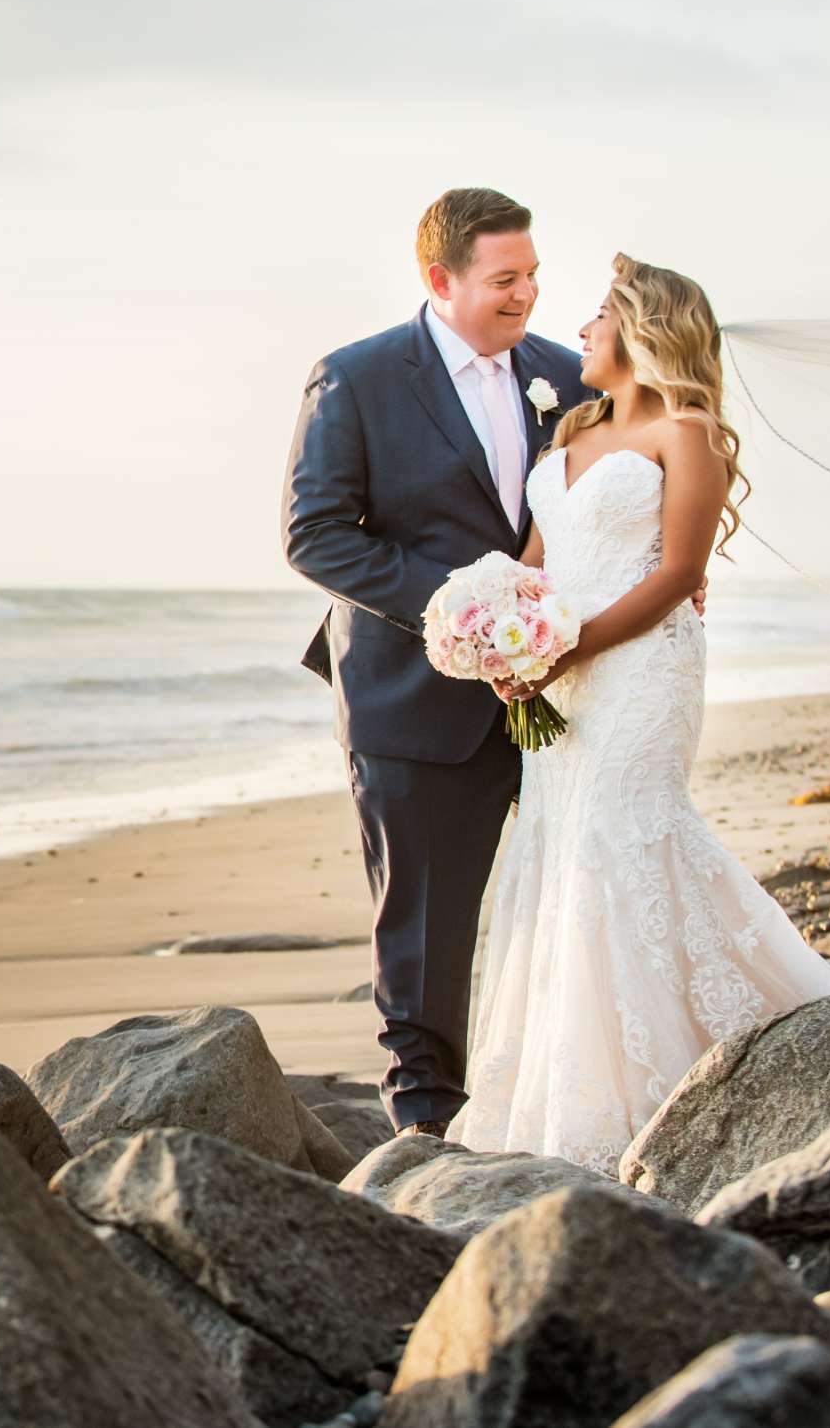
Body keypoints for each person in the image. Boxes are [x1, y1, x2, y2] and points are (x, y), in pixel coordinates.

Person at [449, 252, 830, 1174]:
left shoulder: (690, 432)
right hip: (563, 680)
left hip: (640, 671)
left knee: (621, 839)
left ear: (642, 328)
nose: (582, 331)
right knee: (560, 852)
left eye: (598, 315)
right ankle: (572, 1092)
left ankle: (688, 1072)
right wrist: (505, 643)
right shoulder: (572, 435)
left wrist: (567, 645)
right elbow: (532, 566)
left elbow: (677, 576)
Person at [280, 186, 594, 1138]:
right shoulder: (358, 377)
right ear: (440, 279)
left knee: (570, 897)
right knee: (425, 925)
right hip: (410, 693)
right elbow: (316, 536)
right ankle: (425, 1124)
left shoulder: (570, 377)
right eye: (505, 279)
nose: (526, 296)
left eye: (534, 276)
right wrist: (466, 611)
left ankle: (550, 1096)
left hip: (561, 689)